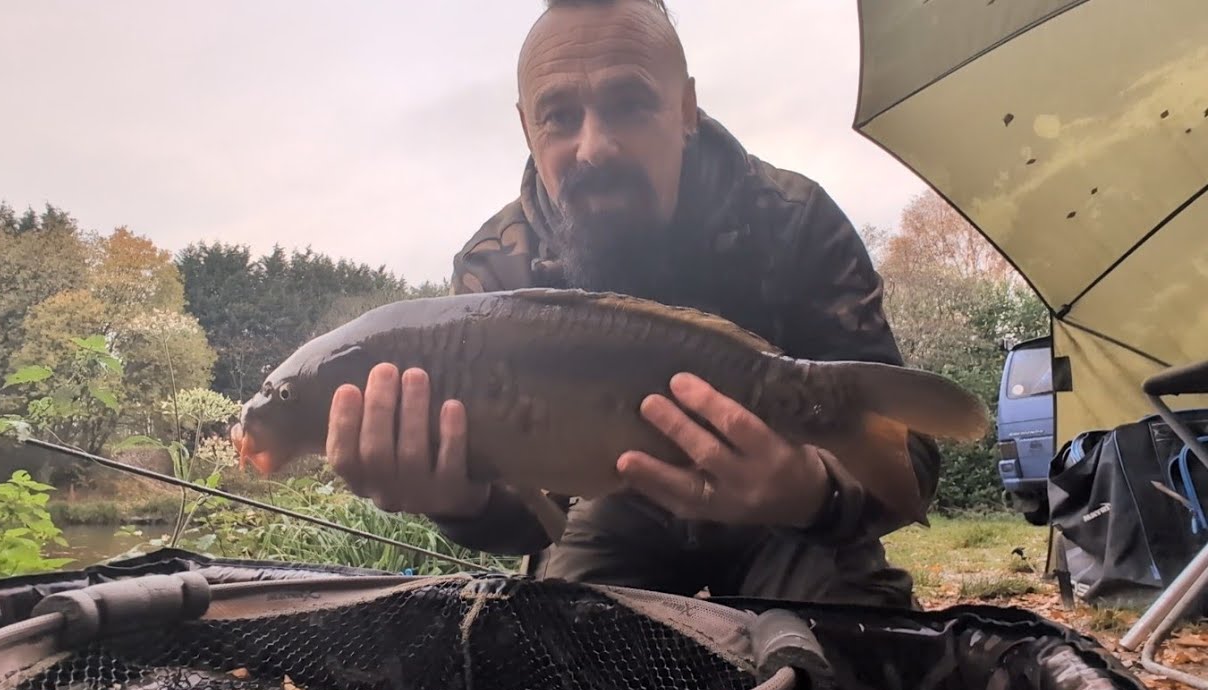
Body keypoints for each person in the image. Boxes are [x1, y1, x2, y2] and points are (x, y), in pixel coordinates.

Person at [325, 0, 941, 609]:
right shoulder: (496, 270)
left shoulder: (796, 221)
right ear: (527, 129)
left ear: (686, 108)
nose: (595, 147)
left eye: (629, 104)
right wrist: (460, 502)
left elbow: (909, 461)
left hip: (785, 506)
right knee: (558, 641)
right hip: (609, 507)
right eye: (559, 117)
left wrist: (809, 492)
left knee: (853, 638)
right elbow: (529, 516)